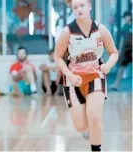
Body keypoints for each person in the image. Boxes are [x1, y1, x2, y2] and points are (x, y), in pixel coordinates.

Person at [54, 0, 119, 151]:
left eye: (82, 5)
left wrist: (108, 65)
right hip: (73, 81)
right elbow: (57, 57)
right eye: (75, 7)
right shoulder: (67, 32)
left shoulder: (101, 30)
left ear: (89, 6)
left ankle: (96, 148)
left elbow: (114, 53)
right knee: (80, 126)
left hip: (95, 76)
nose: (79, 9)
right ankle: (88, 129)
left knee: (95, 118)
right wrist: (69, 75)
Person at [110, 11, 132, 90]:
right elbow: (122, 39)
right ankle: (116, 84)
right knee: (121, 67)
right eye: (125, 17)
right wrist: (119, 49)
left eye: (128, 16)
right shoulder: (124, 27)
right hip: (125, 49)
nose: (126, 18)